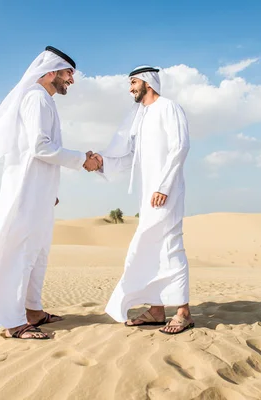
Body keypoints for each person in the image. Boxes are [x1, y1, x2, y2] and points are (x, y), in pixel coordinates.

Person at [0, 46, 102, 340]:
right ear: (51, 72)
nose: (71, 80)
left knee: (37, 252)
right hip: (26, 190)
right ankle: (12, 321)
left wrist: (49, 189)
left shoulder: (44, 101)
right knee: (21, 251)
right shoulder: (36, 98)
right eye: (68, 73)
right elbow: (39, 147)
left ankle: (32, 310)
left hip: (39, 190)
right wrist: (81, 160)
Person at [89, 65, 194, 334]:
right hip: (148, 195)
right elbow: (130, 157)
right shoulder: (141, 117)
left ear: (148, 82)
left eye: (133, 82)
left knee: (170, 245)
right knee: (150, 248)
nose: (130, 88)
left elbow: (180, 147)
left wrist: (164, 186)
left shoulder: (169, 107)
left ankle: (183, 311)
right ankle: (157, 310)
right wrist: (101, 162)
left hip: (165, 192)